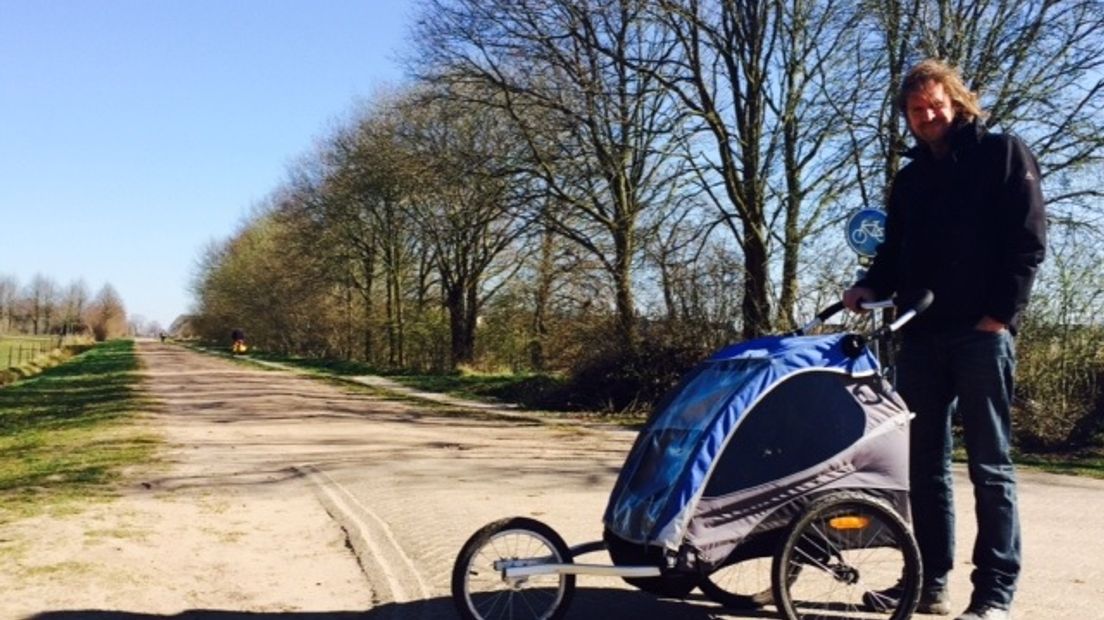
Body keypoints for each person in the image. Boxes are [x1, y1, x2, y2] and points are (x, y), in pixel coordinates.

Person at [843, 59, 1046, 620]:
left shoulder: (1002, 154)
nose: (926, 115)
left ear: (956, 101)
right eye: (915, 109)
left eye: (934, 104)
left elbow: (1028, 241)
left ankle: (994, 594)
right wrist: (868, 285)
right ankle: (929, 584)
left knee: (990, 466)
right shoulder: (910, 180)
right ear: (906, 116)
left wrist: (1000, 316)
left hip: (981, 336)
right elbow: (894, 254)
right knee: (924, 467)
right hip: (921, 336)